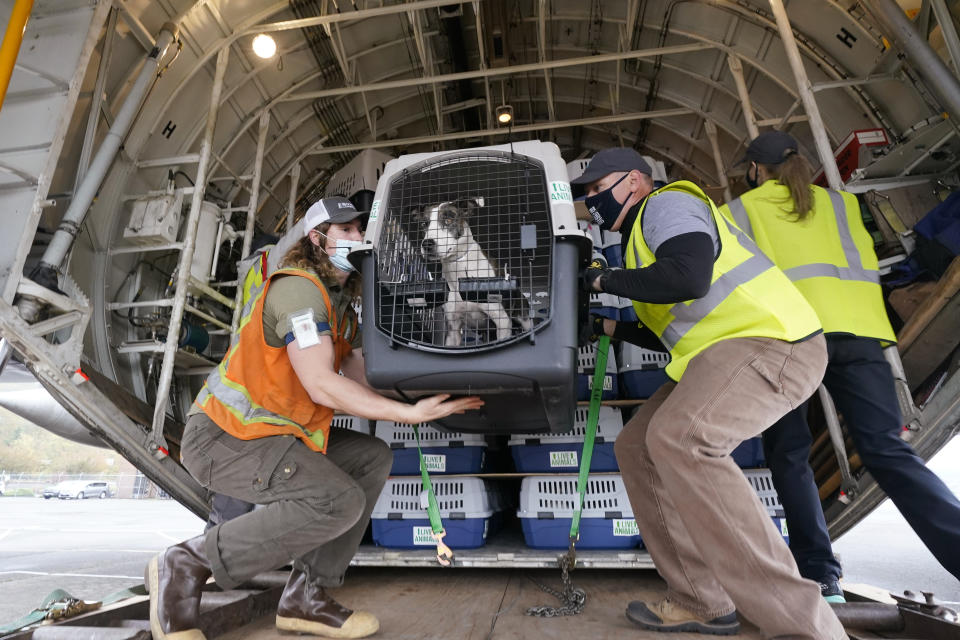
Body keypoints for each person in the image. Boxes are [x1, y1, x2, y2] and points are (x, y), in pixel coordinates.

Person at [147, 196, 483, 640]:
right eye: (344, 230)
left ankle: (306, 595)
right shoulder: (299, 288)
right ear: (316, 238)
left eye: (360, 229)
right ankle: (188, 563)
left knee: (370, 458)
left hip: (279, 437)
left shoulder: (343, 306)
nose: (356, 237)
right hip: (226, 438)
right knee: (336, 499)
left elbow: (367, 379)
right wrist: (409, 414)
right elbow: (321, 384)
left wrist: (440, 385)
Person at [574, 148, 845, 639]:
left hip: (770, 343)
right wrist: (607, 323)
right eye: (586, 195)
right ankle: (700, 598)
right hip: (718, 356)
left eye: (597, 189)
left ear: (635, 181)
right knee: (637, 448)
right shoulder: (639, 240)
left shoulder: (666, 205)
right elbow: (673, 324)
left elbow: (689, 277)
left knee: (682, 439)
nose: (592, 202)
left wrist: (601, 279)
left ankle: (804, 626)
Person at [719, 130, 960, 599]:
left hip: (789, 336)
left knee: (789, 452)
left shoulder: (740, 212)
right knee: (888, 452)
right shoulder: (844, 205)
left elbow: (728, 282)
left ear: (755, 170)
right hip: (861, 334)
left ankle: (820, 574)